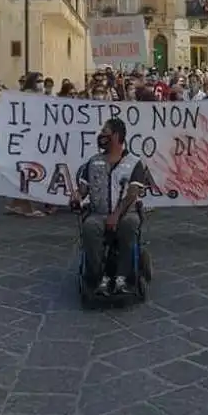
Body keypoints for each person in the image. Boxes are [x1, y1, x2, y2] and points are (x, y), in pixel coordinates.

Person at [71, 118, 146, 295]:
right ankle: (97, 277)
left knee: (129, 225)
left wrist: (116, 215)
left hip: (125, 213)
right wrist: (76, 196)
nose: (101, 136)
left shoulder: (134, 163)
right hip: (99, 213)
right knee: (89, 227)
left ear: (117, 136)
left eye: (105, 132)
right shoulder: (93, 162)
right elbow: (83, 189)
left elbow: (132, 193)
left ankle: (122, 276)